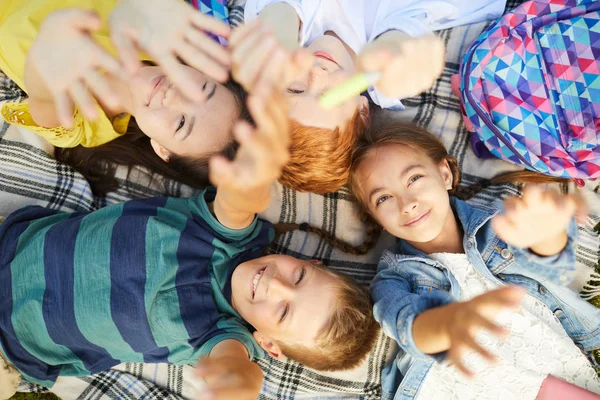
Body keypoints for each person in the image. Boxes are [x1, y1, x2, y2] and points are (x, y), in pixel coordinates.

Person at [0, 66, 379, 400]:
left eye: (282, 311)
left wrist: (236, 384)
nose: (274, 285)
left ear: (268, 344)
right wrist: (252, 171)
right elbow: (236, 202)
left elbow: (237, 369)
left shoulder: (222, 334)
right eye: (298, 276)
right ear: (306, 260)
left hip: (16, 342)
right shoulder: (230, 237)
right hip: (15, 247)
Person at [348, 122, 600, 399]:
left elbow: (546, 263)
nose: (407, 203)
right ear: (376, 218)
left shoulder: (497, 224)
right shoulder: (394, 278)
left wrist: (549, 237)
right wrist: (446, 323)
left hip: (552, 367)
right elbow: (405, 323)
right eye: (383, 198)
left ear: (445, 174)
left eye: (414, 179)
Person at [239, 0, 508, 193]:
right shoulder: (386, 81)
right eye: (330, 93)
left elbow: (279, 10)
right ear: (363, 111)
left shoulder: (297, 32)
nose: (317, 74)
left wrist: (279, 43)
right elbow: (403, 35)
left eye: (295, 88)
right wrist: (391, 50)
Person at [0, 0, 246, 194]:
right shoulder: (167, 27)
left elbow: (44, 100)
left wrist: (48, 48)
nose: (175, 95)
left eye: (181, 123)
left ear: (162, 149)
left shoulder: (84, 123)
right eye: (202, 89)